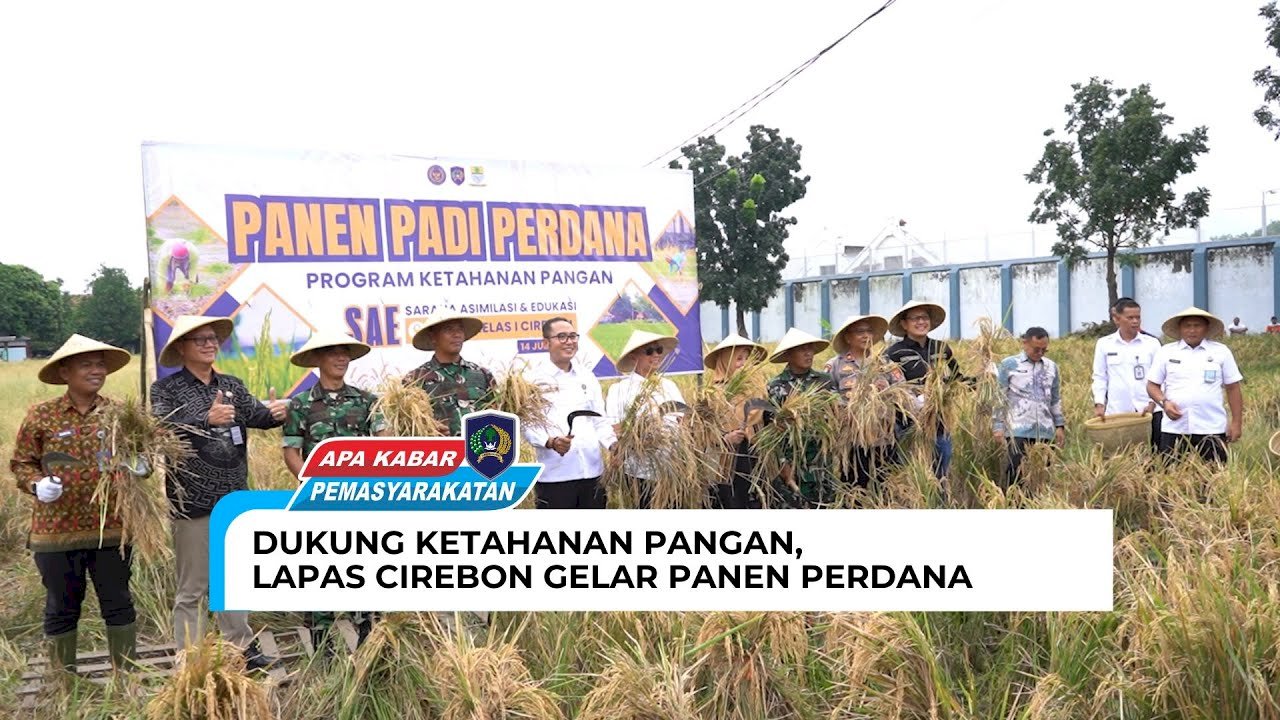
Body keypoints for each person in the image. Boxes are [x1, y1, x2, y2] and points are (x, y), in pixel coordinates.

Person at [150, 315, 289, 670]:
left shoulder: (232, 385)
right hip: (192, 500)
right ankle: (190, 659)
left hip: (234, 500)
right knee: (192, 586)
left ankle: (240, 648)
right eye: (200, 340)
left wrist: (279, 412)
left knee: (234, 578)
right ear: (182, 347)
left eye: (213, 339)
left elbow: (258, 417)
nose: (210, 344)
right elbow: (159, 431)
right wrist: (204, 422)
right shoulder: (166, 391)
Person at [10, 335, 138, 674]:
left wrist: (140, 465)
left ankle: (125, 677)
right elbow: (22, 463)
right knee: (62, 605)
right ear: (65, 372)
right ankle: (63, 681)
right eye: (87, 365)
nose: (96, 370)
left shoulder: (119, 414)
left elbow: (141, 457)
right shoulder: (42, 415)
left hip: (111, 528)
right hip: (55, 532)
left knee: (119, 603)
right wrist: (37, 484)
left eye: (100, 365)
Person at [281, 329, 387, 653]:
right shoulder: (300, 405)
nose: (341, 358)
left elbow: (384, 444)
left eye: (345, 352)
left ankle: (372, 649)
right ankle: (324, 652)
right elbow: (291, 453)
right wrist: (313, 485)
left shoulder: (367, 401)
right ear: (317, 360)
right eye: (333, 352)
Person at [523, 317, 615, 509]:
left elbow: (599, 420)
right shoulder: (532, 380)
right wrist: (550, 442)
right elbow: (527, 425)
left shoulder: (587, 377)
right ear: (546, 343)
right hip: (555, 477)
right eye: (562, 337)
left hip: (593, 474)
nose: (569, 341)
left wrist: (613, 445)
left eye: (573, 336)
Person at [886, 300, 974, 481]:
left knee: (940, 473)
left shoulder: (941, 349)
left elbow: (957, 379)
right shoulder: (894, 353)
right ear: (904, 324)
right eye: (915, 318)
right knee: (912, 475)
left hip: (940, 423)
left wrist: (983, 379)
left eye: (924, 317)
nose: (921, 322)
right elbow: (889, 389)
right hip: (908, 426)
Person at [1146, 307, 1244, 465]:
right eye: (1187, 326)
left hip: (1211, 427)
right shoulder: (1166, 352)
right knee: (1172, 478)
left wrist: (1236, 423)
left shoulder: (1221, 352)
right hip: (1174, 428)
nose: (1192, 330)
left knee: (1214, 478)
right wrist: (1164, 403)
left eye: (1197, 325)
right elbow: (1152, 385)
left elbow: (1233, 388)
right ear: (1180, 329)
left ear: (1206, 328)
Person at [604, 330, 684, 508]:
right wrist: (640, 437)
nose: (656, 355)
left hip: (672, 468)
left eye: (659, 350)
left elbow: (682, 421)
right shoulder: (620, 390)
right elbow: (615, 428)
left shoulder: (669, 386)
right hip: (638, 470)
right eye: (649, 351)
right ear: (634, 356)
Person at [826, 314, 906, 491]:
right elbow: (826, 395)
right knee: (854, 488)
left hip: (884, 437)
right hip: (852, 439)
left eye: (869, 331)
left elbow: (903, 391)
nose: (865, 335)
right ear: (848, 337)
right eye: (859, 331)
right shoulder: (835, 365)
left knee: (886, 487)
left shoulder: (886, 364)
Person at [766, 327, 836, 507]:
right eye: (802, 349)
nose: (808, 353)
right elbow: (769, 431)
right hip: (792, 460)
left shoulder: (825, 381)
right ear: (789, 355)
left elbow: (838, 414)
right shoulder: (775, 386)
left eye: (810, 348)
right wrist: (782, 463)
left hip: (822, 459)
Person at [993, 327, 1066, 486]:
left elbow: (1055, 398)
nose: (1040, 353)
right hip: (1017, 430)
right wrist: (998, 426)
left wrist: (1059, 426)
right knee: (1016, 476)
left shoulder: (1051, 367)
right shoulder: (1009, 365)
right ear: (1024, 343)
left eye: (1044, 350)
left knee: (1042, 478)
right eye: (1036, 349)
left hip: (1045, 431)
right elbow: (1000, 398)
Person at [703, 334, 768, 509]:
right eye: (738, 359)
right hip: (724, 464)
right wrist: (724, 438)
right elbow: (699, 432)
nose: (743, 364)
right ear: (725, 360)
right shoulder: (711, 394)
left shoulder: (758, 389)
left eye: (747, 359)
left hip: (754, 459)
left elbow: (768, 422)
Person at [404, 312, 495, 436]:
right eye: (448, 329)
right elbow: (406, 424)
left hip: (481, 450)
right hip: (442, 452)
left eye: (460, 329)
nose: (456, 334)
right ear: (433, 337)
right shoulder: (415, 379)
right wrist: (427, 428)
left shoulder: (482, 375)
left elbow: (500, 413)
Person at [1092, 298, 1162, 451]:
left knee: (1153, 455)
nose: (1135, 321)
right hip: (1119, 412)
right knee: (1122, 455)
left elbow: (1162, 377)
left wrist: (1152, 403)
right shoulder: (1104, 344)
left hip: (1149, 411)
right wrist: (1099, 404)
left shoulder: (1152, 344)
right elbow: (1100, 377)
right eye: (1130, 318)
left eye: (1138, 317)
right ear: (1117, 319)